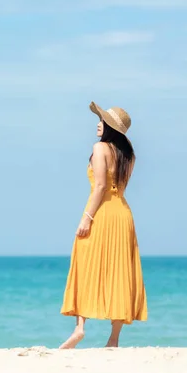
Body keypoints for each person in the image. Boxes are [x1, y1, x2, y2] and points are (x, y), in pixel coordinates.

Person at [59, 101, 148, 349]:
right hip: (122, 214)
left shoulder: (99, 148)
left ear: (110, 127)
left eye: (102, 121)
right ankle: (113, 340)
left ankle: (80, 328)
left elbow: (99, 186)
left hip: (102, 212)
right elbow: (117, 186)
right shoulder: (127, 154)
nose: (98, 125)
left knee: (84, 261)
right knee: (120, 271)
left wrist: (86, 217)